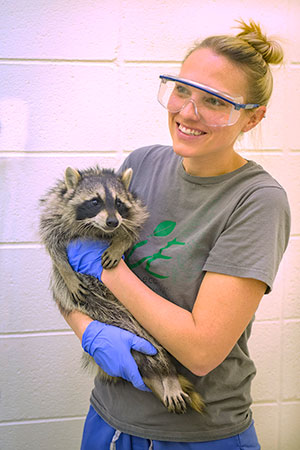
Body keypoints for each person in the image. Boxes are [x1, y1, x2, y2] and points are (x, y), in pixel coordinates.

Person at [64, 19, 290, 449]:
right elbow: (71, 278)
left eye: (215, 101)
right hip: (108, 419)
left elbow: (202, 351)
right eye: (181, 89)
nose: (187, 112)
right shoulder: (141, 164)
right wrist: (87, 331)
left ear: (253, 118)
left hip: (195, 434)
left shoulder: (257, 201)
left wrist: (110, 271)